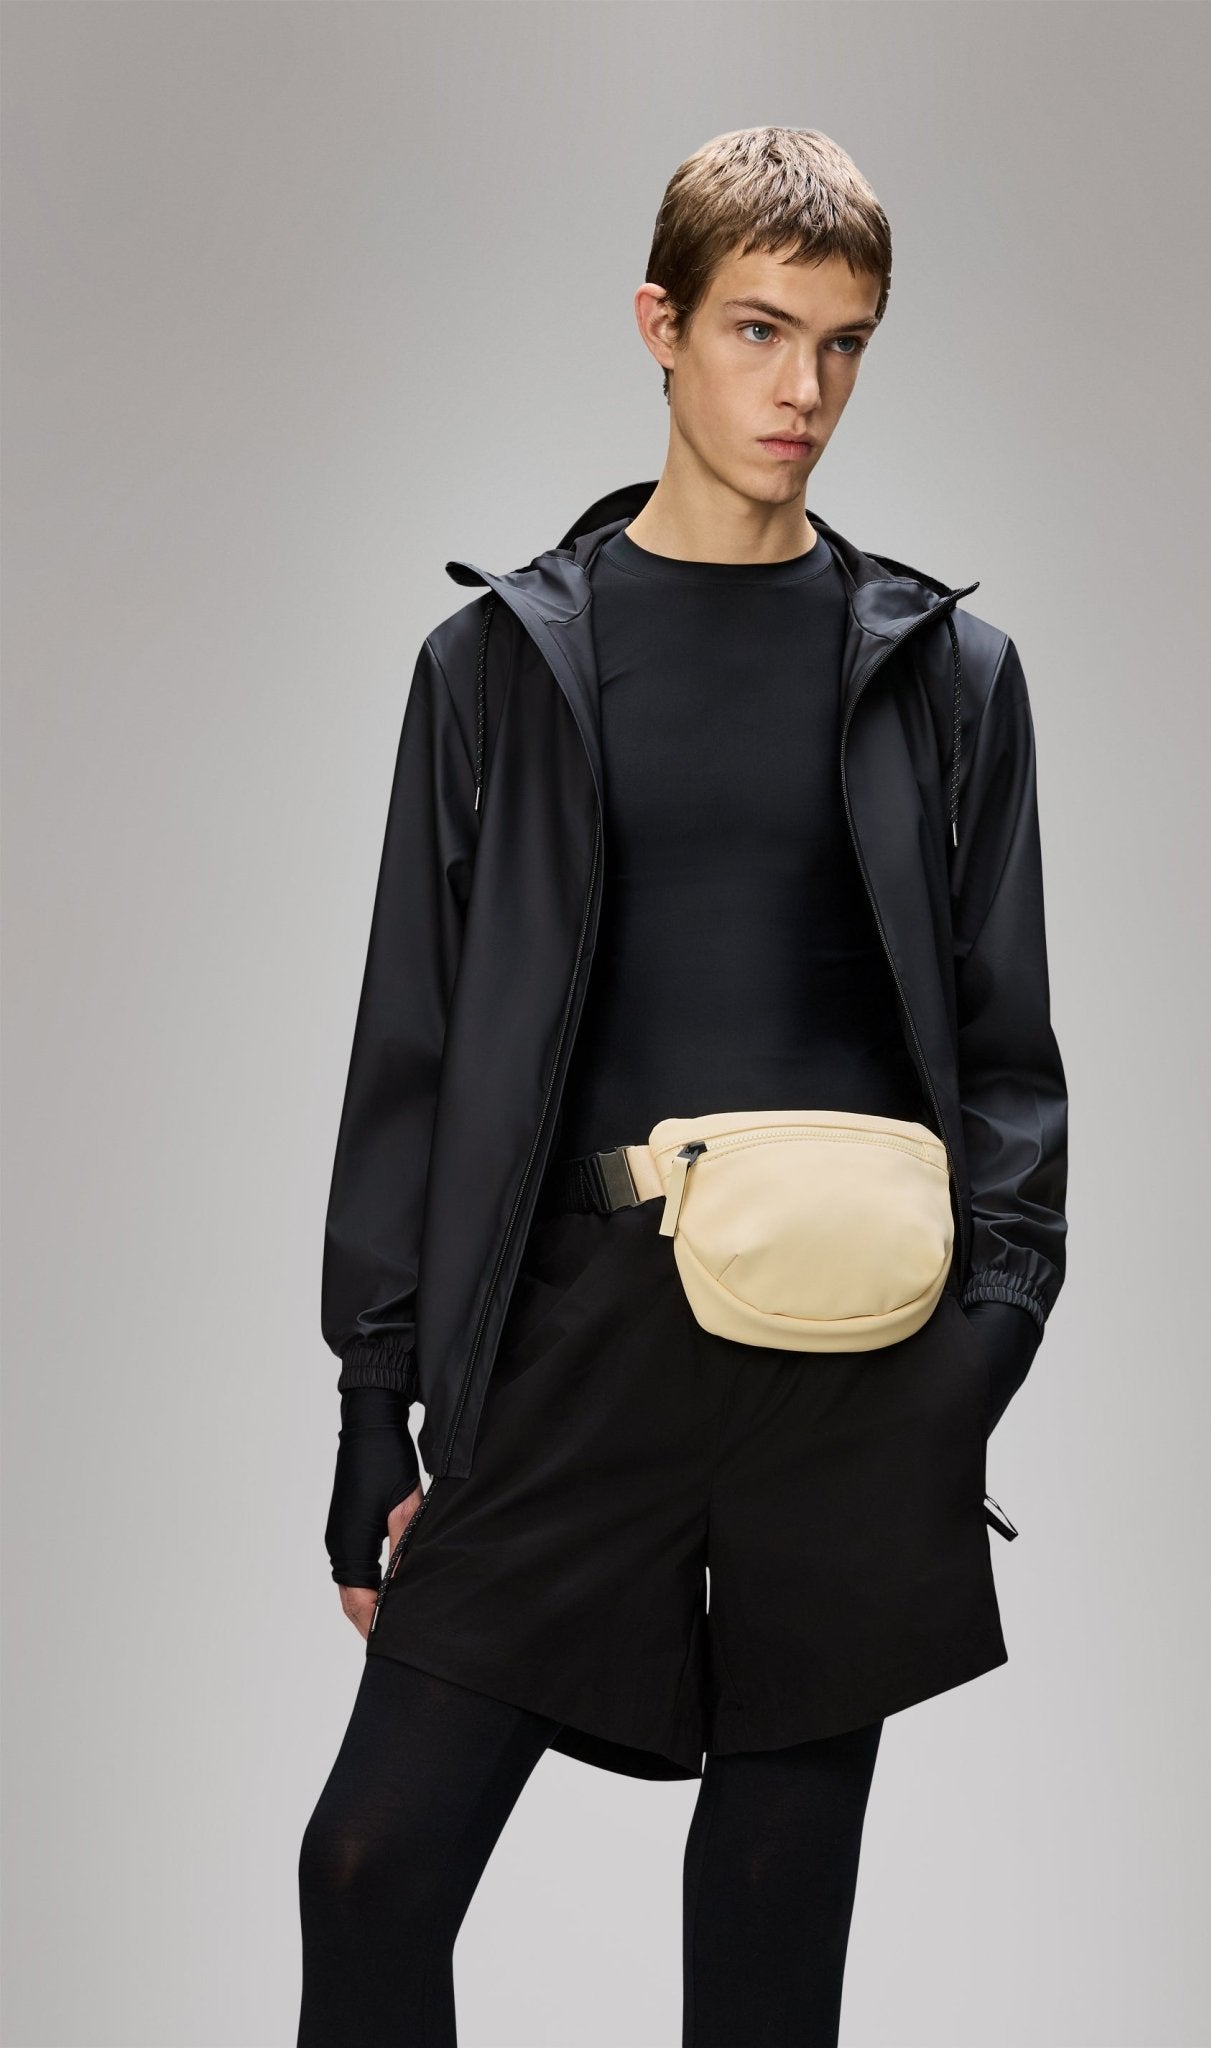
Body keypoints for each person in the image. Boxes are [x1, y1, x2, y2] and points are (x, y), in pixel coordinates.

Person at [297, 125, 1067, 2048]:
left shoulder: (947, 674)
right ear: (660, 324)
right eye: (757, 329)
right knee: (369, 1866)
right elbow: (411, 1050)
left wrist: (976, 1355)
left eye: (843, 342)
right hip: (582, 1335)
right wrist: (374, 1406)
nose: (803, 389)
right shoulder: (498, 668)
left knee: (768, 1942)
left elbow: (1008, 1059)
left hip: (853, 1357)